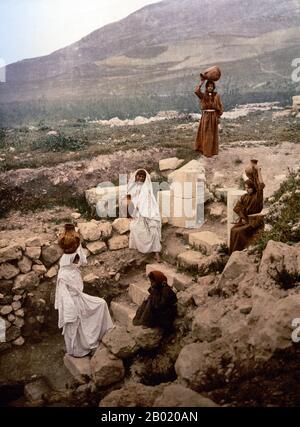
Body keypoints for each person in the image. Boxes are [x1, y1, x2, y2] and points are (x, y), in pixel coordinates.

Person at [55, 224, 114, 357]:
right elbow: (64, 299)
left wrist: (75, 235)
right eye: (75, 258)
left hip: (80, 298)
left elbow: (80, 257)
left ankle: (104, 334)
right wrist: (72, 312)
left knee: (101, 304)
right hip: (72, 305)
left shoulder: (71, 264)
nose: (78, 261)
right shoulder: (63, 275)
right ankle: (79, 350)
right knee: (76, 325)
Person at [229, 162, 265, 254]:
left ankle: (239, 252)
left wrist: (258, 171)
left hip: (253, 222)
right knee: (233, 230)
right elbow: (237, 207)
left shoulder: (257, 196)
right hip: (245, 220)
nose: (246, 190)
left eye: (248, 188)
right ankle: (232, 253)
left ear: (253, 188)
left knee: (238, 232)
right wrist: (243, 217)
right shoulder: (244, 196)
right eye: (245, 188)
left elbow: (260, 185)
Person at [127, 169, 162, 262]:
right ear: (135, 176)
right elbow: (129, 200)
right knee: (135, 228)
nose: (140, 178)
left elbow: (148, 201)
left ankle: (156, 253)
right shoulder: (132, 187)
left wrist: (141, 208)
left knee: (153, 230)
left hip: (148, 211)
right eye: (139, 176)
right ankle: (138, 250)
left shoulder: (146, 188)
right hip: (137, 212)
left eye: (143, 177)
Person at [194, 79, 224, 157]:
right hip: (206, 116)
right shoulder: (203, 95)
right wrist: (201, 82)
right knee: (205, 133)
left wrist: (218, 116)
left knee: (212, 134)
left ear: (213, 87)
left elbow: (220, 106)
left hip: (213, 116)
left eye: (211, 86)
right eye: (208, 86)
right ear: (206, 87)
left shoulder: (216, 95)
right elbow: (197, 91)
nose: (210, 88)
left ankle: (212, 151)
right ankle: (205, 151)